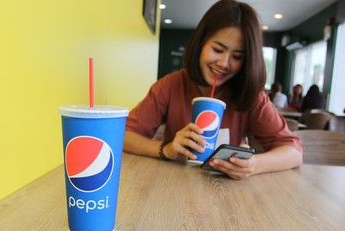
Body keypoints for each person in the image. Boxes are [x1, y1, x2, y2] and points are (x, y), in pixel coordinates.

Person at [124, 0, 302, 180]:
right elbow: (124, 136)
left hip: (228, 194)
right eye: (217, 49)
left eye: (237, 56)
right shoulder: (170, 85)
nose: (224, 63)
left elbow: (294, 153)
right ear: (201, 43)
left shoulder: (251, 96)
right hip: (174, 188)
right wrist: (166, 149)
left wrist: (254, 164)